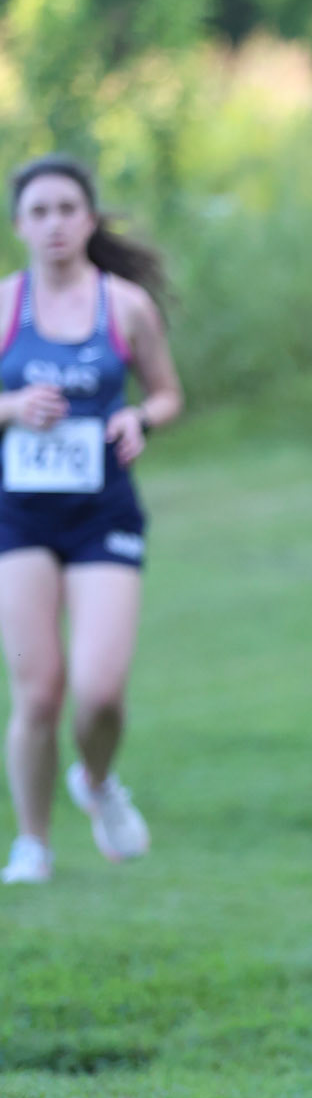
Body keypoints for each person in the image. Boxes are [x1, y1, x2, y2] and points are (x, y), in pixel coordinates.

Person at [0, 154, 183, 883]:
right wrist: (13, 407)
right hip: (20, 519)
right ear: (20, 225)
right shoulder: (6, 305)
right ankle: (33, 844)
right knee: (38, 689)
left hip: (104, 512)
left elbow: (168, 393)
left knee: (99, 691)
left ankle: (98, 783)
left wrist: (141, 418)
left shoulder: (125, 304)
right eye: (38, 211)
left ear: (89, 219)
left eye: (67, 209)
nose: (54, 224)